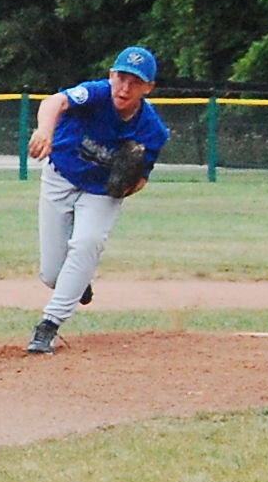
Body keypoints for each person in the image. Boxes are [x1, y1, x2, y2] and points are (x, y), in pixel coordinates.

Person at [23, 44, 171, 356]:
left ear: (149, 87)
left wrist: (125, 188)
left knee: (88, 243)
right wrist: (45, 131)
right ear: (111, 75)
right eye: (121, 77)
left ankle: (48, 325)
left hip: (100, 192)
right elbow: (55, 101)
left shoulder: (151, 129)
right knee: (51, 274)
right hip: (60, 175)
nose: (125, 88)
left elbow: (141, 178)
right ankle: (78, 280)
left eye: (135, 82)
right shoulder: (97, 93)